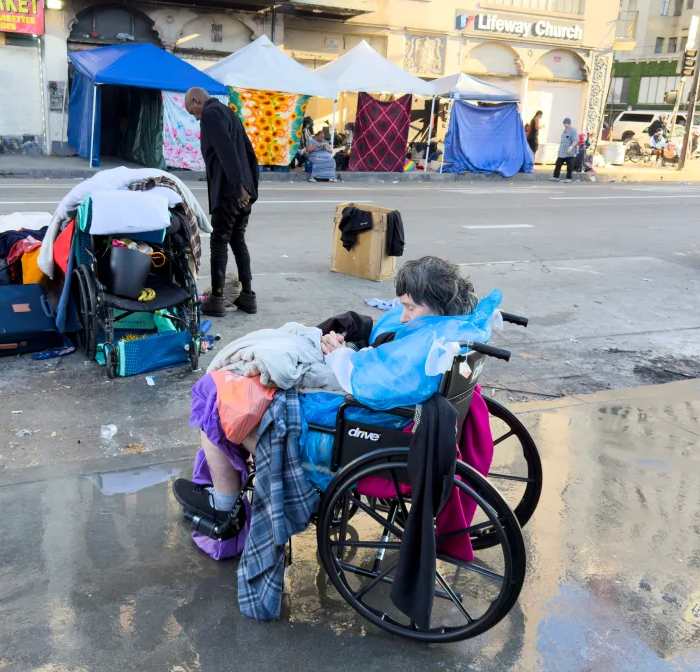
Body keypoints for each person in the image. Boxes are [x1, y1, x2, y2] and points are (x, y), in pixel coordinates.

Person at [171, 256, 478, 523]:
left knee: (219, 398)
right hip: (391, 421)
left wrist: (338, 357)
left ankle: (225, 505)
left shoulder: (426, 345)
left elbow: (368, 385)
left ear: (437, 307)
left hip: (359, 431)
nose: (403, 316)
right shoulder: (446, 335)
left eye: (410, 307)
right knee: (244, 381)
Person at [185, 86, 259, 316]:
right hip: (243, 190)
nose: (196, 117)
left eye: (192, 112)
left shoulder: (209, 114)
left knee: (219, 240)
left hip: (229, 190)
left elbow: (226, 150)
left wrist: (238, 187)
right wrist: (251, 188)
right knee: (237, 240)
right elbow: (250, 153)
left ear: (197, 101)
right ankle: (247, 297)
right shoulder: (229, 112)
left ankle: (216, 299)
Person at [550, 117, 578, 183]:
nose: (564, 124)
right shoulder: (564, 131)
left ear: (569, 123)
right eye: (564, 123)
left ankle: (569, 178)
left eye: (566, 123)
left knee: (569, 166)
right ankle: (556, 176)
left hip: (569, 152)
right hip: (562, 151)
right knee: (558, 164)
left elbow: (576, 140)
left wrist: (570, 148)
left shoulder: (573, 130)